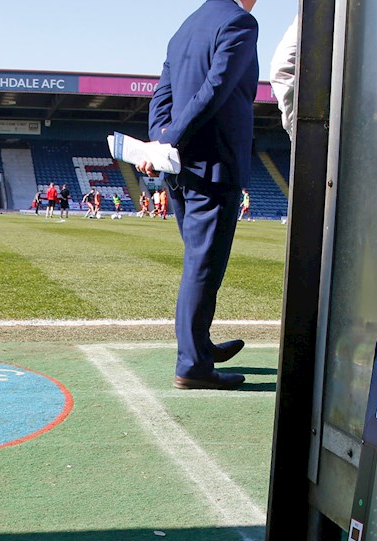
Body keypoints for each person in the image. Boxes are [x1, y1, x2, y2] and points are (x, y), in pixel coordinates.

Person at [142, 0, 259, 390]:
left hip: (180, 169)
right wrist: (170, 139)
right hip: (213, 165)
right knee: (202, 268)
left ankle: (200, 346)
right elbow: (216, 88)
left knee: (198, 263)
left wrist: (161, 140)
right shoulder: (239, 22)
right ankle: (193, 365)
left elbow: (163, 94)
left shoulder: (186, 27)